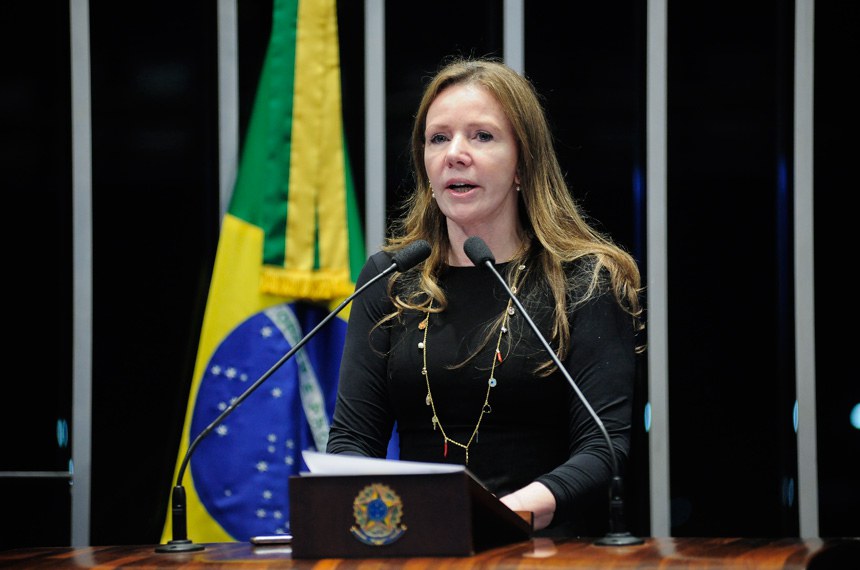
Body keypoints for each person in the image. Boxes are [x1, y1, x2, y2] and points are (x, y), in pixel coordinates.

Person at [326, 55, 644, 536]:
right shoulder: (391, 280)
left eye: (482, 136)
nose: (455, 153)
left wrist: (497, 517)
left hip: (545, 549)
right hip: (420, 546)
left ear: (523, 163)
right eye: (438, 138)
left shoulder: (585, 280)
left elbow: (603, 448)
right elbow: (353, 442)